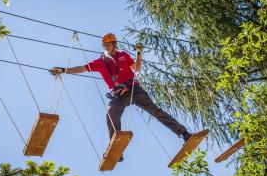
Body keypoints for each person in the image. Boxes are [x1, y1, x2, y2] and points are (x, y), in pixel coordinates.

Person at [49, 33, 192, 160]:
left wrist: (139, 53)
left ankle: (184, 133)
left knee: (156, 111)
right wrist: (63, 70)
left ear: (114, 45)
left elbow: (136, 68)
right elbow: (80, 68)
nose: (105, 47)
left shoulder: (123, 55)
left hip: (134, 89)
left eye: (108, 45)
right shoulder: (100, 62)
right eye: (103, 45)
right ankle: (116, 149)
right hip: (118, 94)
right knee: (111, 115)